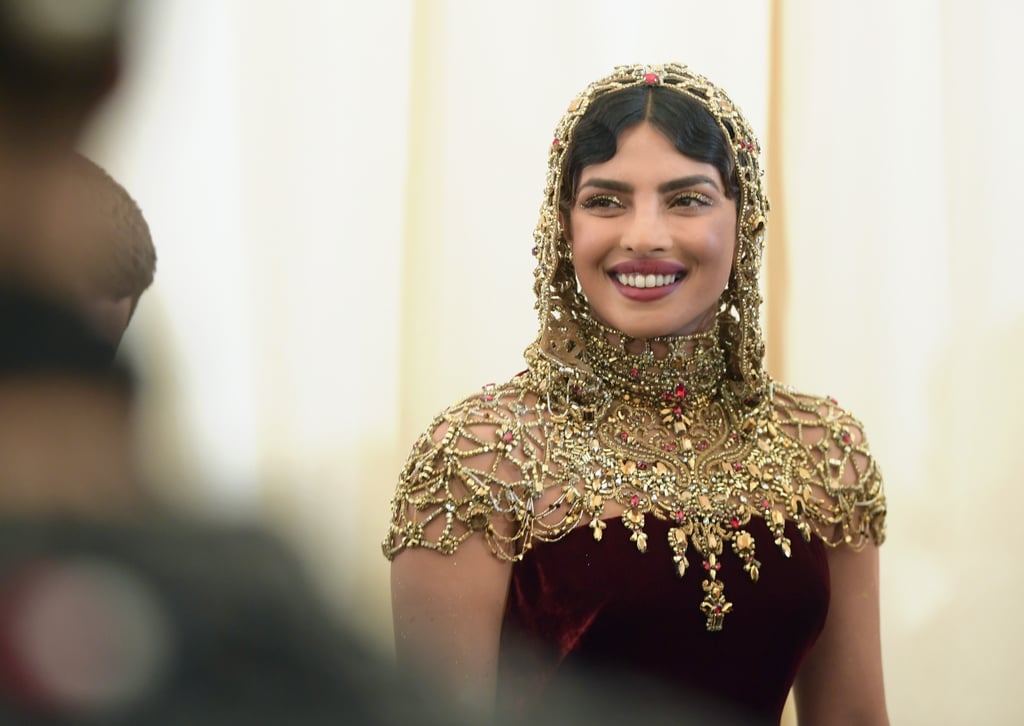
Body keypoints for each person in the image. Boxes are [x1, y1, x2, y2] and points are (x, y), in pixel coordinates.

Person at [385, 63, 888, 725]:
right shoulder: (480, 458)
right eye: (606, 200)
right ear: (564, 226)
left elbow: (854, 718)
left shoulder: (822, 449)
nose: (645, 235)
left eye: (687, 199)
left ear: (746, 221)